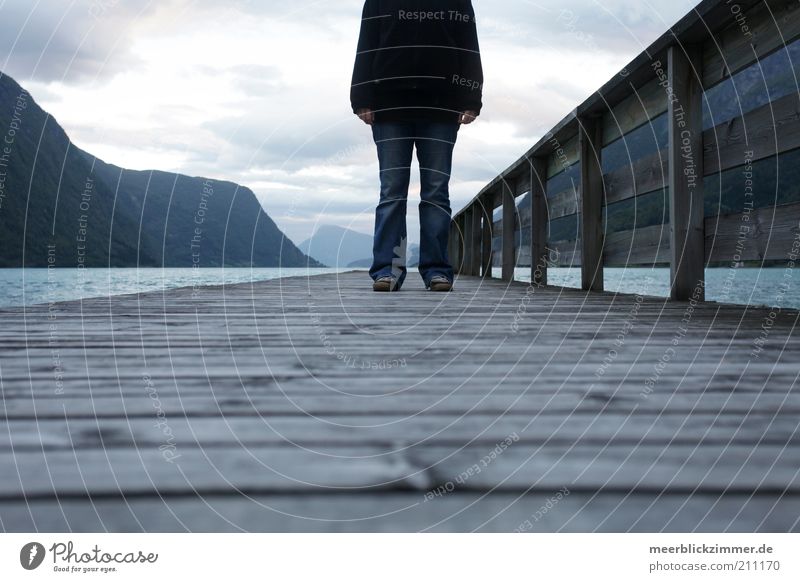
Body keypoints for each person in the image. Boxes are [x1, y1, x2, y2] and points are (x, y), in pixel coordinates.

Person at [351, 0, 483, 292]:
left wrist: (472, 98)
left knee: (436, 191)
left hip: (441, 106)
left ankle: (437, 270)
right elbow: (367, 43)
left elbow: (468, 46)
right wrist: (360, 97)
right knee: (391, 191)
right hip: (390, 105)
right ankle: (388, 270)